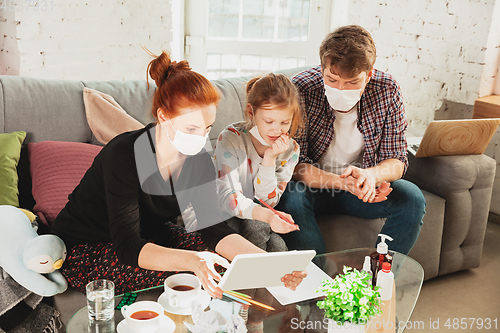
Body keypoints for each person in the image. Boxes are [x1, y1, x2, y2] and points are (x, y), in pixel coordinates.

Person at [50, 51, 306, 297]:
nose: (201, 138)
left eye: (207, 129)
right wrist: (193, 260)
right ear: (163, 116)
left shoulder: (197, 158)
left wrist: (270, 264)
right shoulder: (124, 154)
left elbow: (212, 227)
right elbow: (127, 245)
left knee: (222, 264)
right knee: (199, 267)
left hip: (146, 235)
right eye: (191, 128)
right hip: (87, 247)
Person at [275, 25, 426, 256]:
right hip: (312, 186)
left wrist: (372, 175)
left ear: (369, 75)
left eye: (353, 82)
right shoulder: (301, 88)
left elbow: (397, 159)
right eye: (332, 79)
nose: (340, 89)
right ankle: (318, 287)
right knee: (291, 196)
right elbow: (292, 164)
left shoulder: (387, 90)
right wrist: (341, 182)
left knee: (411, 197)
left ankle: (378, 280)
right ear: (321, 69)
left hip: (360, 188)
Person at [214, 73, 303, 252]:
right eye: (269, 121)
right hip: (223, 213)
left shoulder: (290, 150)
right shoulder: (231, 138)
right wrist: (266, 216)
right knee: (259, 226)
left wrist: (269, 159)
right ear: (251, 113)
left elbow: (268, 201)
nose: (277, 130)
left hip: (258, 216)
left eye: (285, 122)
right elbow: (229, 197)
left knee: (278, 246)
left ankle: (259, 271)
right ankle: (254, 272)